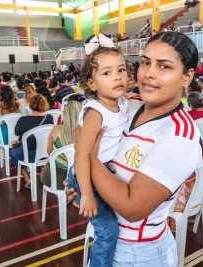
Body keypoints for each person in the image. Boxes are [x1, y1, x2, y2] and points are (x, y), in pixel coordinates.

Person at [66, 31, 202, 266]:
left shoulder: (180, 136)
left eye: (164, 66)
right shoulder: (127, 105)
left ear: (187, 77)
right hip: (108, 240)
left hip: (139, 253)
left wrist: (89, 161)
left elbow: (131, 207)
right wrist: (81, 186)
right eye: (146, 62)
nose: (149, 73)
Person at [68, 33, 130, 267]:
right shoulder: (95, 112)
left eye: (121, 70)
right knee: (108, 233)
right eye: (107, 73)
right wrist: (87, 194)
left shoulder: (122, 102)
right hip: (86, 177)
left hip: (102, 173)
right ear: (91, 84)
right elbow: (81, 155)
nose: (117, 77)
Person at [40, 94, 84, 189]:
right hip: (81, 179)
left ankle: (62, 200)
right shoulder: (88, 133)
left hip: (55, 177)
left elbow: (49, 152)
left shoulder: (56, 130)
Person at [10, 94, 54, 188]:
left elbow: (16, 132)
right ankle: (44, 174)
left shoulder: (23, 120)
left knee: (13, 153)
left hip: (29, 154)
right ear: (44, 105)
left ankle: (27, 177)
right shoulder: (50, 117)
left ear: (30, 105)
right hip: (46, 153)